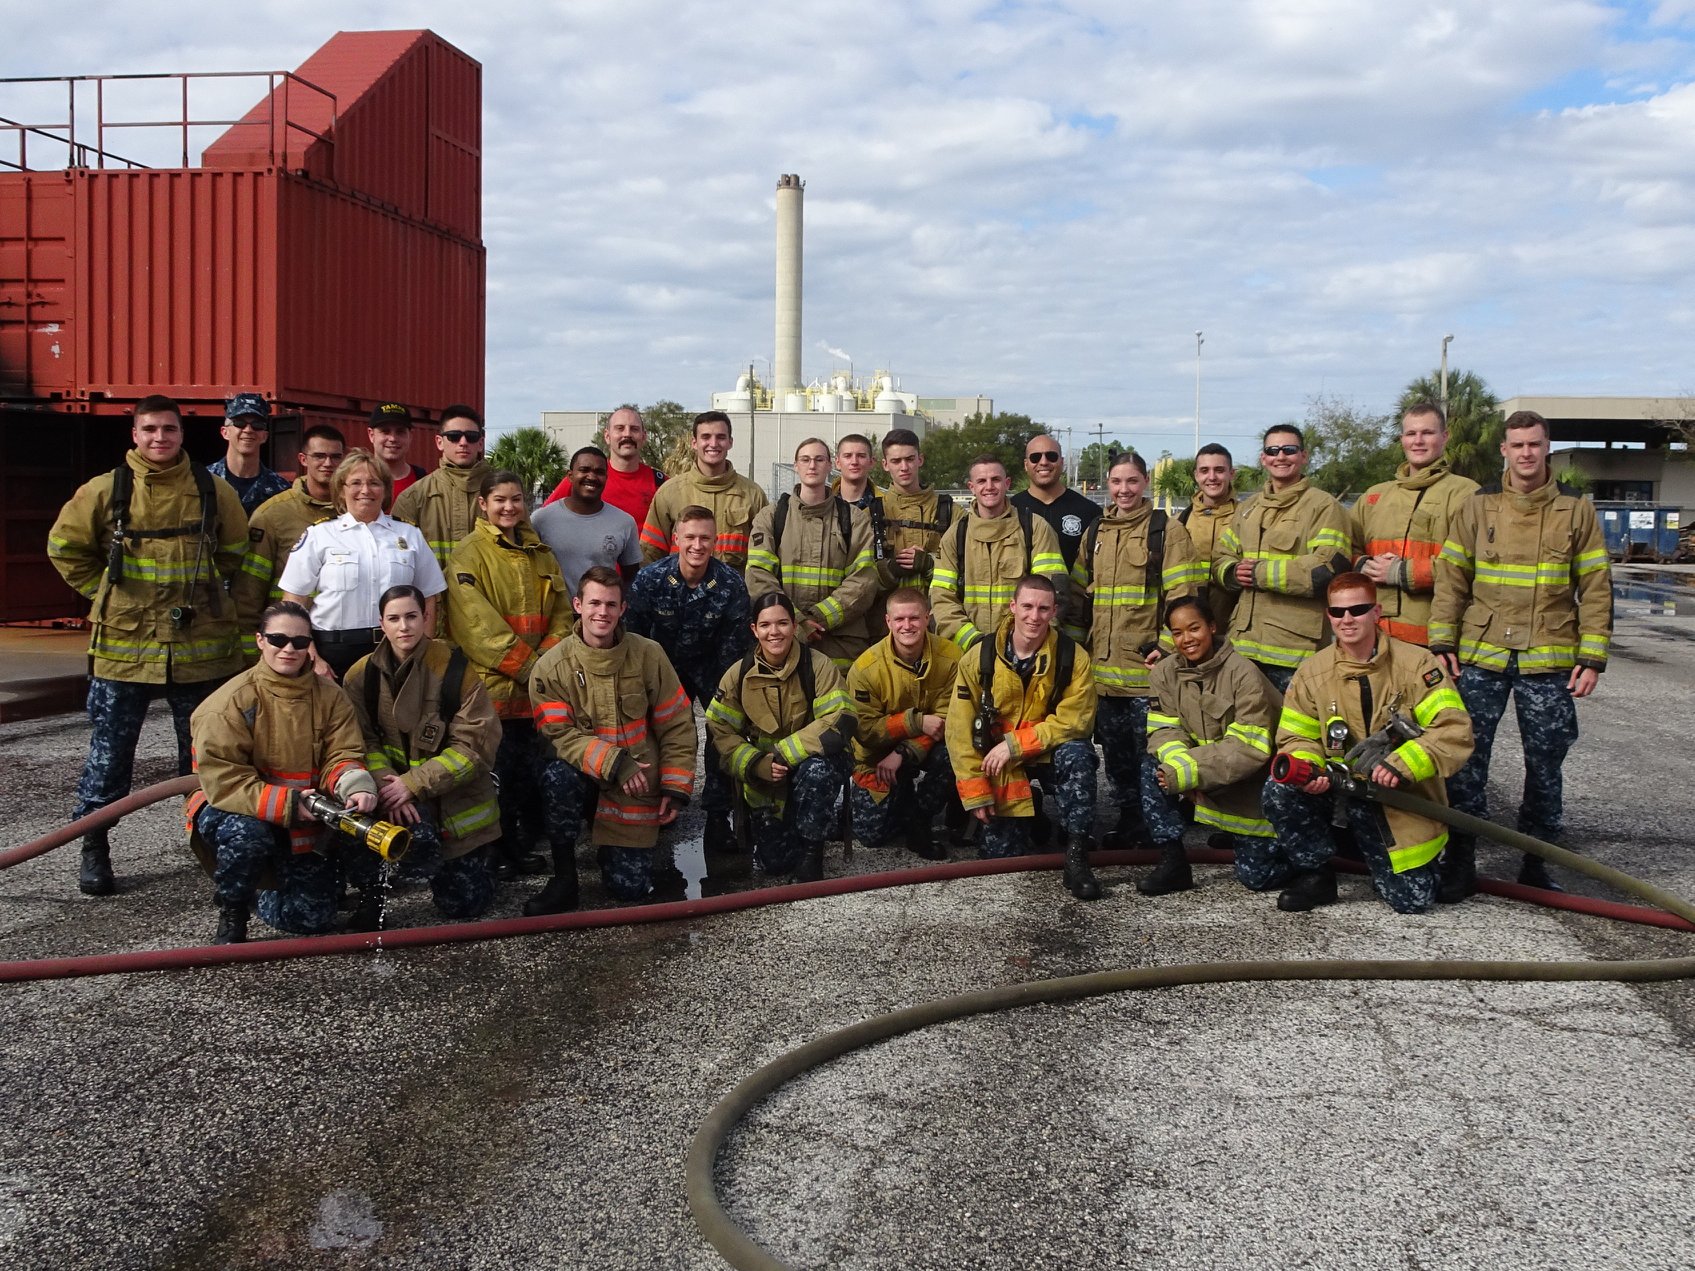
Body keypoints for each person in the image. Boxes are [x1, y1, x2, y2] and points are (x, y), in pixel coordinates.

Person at [47, 394, 249, 896]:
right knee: (109, 758)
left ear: (182, 434)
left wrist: (203, 592)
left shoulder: (212, 490)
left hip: (201, 650)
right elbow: (64, 547)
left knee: (204, 759)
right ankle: (95, 846)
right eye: (151, 430)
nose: (160, 438)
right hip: (123, 650)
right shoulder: (105, 491)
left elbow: (235, 549)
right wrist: (106, 594)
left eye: (170, 430)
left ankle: (211, 845)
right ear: (134, 435)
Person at [1430, 409, 1612, 897]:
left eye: (1535, 444)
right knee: (1466, 758)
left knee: (1546, 761)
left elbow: (1595, 586)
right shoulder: (1477, 506)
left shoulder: (1577, 511)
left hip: (1548, 657)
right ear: (1504, 451)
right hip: (1482, 653)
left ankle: (1538, 861)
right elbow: (1452, 579)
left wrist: (1592, 656)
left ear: (1546, 447)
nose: (1526, 453)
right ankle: (1461, 860)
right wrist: (1442, 641)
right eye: (1518, 444)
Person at [1263, 573, 1473, 914]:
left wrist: (1403, 764)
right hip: (1338, 788)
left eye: (1358, 609)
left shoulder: (1418, 665)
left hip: (1396, 794)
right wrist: (1311, 767)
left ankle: (1437, 855)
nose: (1347, 619)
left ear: (1377, 612)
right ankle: (1316, 874)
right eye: (1338, 612)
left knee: (1410, 901)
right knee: (1278, 790)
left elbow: (1454, 730)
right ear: (1328, 615)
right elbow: (1296, 736)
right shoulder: (1311, 673)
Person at [185, 601, 378, 944]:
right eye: (278, 639)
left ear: (310, 645)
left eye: (300, 642)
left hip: (304, 816)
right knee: (247, 836)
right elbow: (224, 780)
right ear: (260, 640)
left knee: (310, 919)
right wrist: (286, 804)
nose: (289, 649)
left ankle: (278, 890)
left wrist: (356, 786)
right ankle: (234, 910)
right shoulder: (227, 704)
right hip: (239, 808)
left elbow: (343, 753)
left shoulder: (332, 698)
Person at [528, 567, 698, 911]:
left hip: (634, 786)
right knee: (556, 776)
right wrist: (615, 761)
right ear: (578, 605)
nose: (601, 612)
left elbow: (677, 723)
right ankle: (564, 878)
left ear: (623, 609)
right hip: (588, 776)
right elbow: (558, 736)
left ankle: (614, 848)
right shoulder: (551, 668)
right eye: (594, 603)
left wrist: (675, 788)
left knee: (629, 890)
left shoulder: (648, 654)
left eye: (610, 604)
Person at [342, 585, 502, 929]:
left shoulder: (456, 670)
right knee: (353, 822)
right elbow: (359, 743)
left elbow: (474, 746)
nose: (404, 627)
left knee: (463, 906)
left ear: (425, 618)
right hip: (391, 797)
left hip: (451, 802)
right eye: (394, 618)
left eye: (412, 616)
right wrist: (390, 787)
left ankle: (480, 862)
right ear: (381, 623)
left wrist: (413, 784)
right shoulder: (360, 676)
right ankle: (374, 889)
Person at [445, 468, 573, 880]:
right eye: (500, 500)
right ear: (483, 504)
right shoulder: (468, 555)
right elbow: (477, 628)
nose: (509, 507)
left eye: (516, 499)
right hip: (493, 693)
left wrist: (547, 666)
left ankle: (519, 847)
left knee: (524, 781)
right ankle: (493, 855)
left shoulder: (541, 552)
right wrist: (535, 669)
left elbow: (563, 614)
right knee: (492, 779)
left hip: (535, 694)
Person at [1075, 450, 1203, 850]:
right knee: (1118, 762)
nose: (1123, 489)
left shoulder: (1166, 531)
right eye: (1116, 482)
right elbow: (1080, 597)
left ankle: (1160, 837)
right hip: (1104, 677)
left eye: (1131, 481)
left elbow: (1184, 598)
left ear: (1145, 482)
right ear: (1108, 484)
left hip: (1148, 677)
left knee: (1153, 760)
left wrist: (1167, 648)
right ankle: (1130, 822)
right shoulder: (1096, 531)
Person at [944, 575, 1100, 897]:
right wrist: (976, 793)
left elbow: (1076, 721)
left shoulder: (1073, 657)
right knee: (1000, 858)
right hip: (1000, 765)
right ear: (1013, 607)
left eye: (1043, 609)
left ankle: (1076, 855)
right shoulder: (979, 657)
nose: (1034, 616)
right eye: (1027, 606)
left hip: (1044, 751)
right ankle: (1034, 811)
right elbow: (958, 730)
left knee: (1080, 754)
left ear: (1054, 611)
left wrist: (1014, 745)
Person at [625, 505, 753, 855]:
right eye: (691, 537)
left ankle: (717, 816)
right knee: (657, 732)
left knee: (722, 734)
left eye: (705, 538)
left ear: (715, 542)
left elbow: (734, 653)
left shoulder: (730, 584)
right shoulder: (650, 580)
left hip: (715, 667)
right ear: (676, 539)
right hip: (663, 669)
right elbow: (633, 640)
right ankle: (664, 802)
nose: (697, 545)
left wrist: (725, 698)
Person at [705, 590, 856, 882]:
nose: (774, 632)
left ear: (794, 626)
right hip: (767, 776)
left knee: (818, 771)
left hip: (810, 764)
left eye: (783, 623)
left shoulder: (819, 666)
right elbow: (719, 732)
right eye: (765, 625)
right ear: (754, 630)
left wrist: (785, 753)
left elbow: (841, 718)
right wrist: (753, 763)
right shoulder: (738, 675)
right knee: (775, 863)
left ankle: (814, 851)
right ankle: (784, 826)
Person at [1142, 594, 1285, 896]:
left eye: (1194, 629)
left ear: (1212, 627)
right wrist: (1179, 764)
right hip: (1201, 777)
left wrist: (1190, 768)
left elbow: (1250, 748)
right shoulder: (1165, 674)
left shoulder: (1244, 674)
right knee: (1150, 768)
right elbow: (1163, 730)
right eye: (1177, 632)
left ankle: (1290, 851)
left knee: (1257, 879)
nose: (1186, 639)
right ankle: (1173, 863)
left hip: (1248, 788)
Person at [1211, 424, 1356, 692]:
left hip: (1295, 652)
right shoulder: (1248, 509)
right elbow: (1220, 558)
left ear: (1304, 456)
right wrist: (1231, 572)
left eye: (1289, 450)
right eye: (1272, 450)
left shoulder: (1324, 507)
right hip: (1243, 647)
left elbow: (1326, 570)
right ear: (1263, 458)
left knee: (1295, 731)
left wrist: (1258, 574)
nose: (1281, 456)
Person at [279, 451, 446, 679]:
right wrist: (312, 657)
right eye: (356, 483)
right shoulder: (319, 535)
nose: (365, 491)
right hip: (333, 655)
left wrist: (423, 653)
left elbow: (428, 597)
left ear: (386, 490)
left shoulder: (409, 535)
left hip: (397, 651)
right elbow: (293, 602)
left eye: (374, 483)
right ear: (341, 489)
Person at [846, 588, 962, 861]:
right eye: (899, 619)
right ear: (888, 622)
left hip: (927, 746)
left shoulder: (952, 658)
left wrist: (902, 753)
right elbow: (865, 731)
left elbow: (948, 720)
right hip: (877, 753)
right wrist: (916, 721)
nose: (907, 626)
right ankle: (901, 797)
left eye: (914, 618)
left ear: (927, 618)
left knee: (952, 752)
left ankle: (920, 819)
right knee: (871, 836)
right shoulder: (865, 669)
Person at [745, 437, 879, 670]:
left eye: (819, 459)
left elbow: (863, 579)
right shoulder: (772, 517)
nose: (812, 465)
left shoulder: (854, 519)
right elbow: (759, 576)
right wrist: (796, 621)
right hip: (785, 639)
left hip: (840, 643)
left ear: (830, 466)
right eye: (805, 460)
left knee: (839, 704)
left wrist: (819, 618)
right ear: (795, 466)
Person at [1354, 402, 1480, 646]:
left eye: (1427, 433)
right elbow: (1344, 548)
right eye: (1411, 433)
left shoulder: (1466, 494)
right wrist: (1362, 565)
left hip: (1434, 639)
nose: (1418, 441)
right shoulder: (1374, 496)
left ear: (1445, 437)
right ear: (1402, 439)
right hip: (1373, 636)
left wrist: (1401, 573)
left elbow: (1471, 565)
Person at [931, 455, 1069, 651]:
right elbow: (942, 598)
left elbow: (1053, 593)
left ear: (1007, 483)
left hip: (1024, 652)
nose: (989, 487)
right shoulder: (955, 536)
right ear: (971, 487)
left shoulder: (1035, 529)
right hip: (969, 651)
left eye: (995, 480)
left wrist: (1021, 644)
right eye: (981, 481)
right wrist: (975, 642)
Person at [233, 424, 346, 637]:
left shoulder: (356, 513)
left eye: (336, 457)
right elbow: (249, 593)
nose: (328, 463)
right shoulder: (273, 515)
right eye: (319, 456)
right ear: (303, 459)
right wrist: (254, 657)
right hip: (290, 640)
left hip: (343, 638)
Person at [639, 410, 769, 571]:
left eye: (721, 437)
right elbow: (650, 553)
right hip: (679, 593)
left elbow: (763, 555)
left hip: (733, 593)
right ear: (694, 443)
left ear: (730, 442)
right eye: (706, 437)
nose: (713, 444)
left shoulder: (753, 495)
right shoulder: (669, 493)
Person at [530, 446, 644, 594]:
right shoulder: (541, 520)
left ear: (606, 478)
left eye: (599, 472)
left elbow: (632, 578)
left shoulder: (624, 522)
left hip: (602, 614)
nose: (591, 477)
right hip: (555, 615)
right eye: (584, 470)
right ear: (570, 476)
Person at [392, 405, 490, 571]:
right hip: (435, 596)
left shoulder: (502, 493)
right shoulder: (414, 497)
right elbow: (396, 560)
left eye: (471, 437)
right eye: (454, 436)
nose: (463, 443)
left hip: (490, 596)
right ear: (439, 442)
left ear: (480, 443)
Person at [541, 405, 667, 526]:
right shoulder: (584, 478)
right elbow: (543, 517)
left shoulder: (661, 483)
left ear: (644, 437)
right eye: (620, 428)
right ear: (607, 436)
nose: (627, 434)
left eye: (634, 429)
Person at [874, 427, 956, 594]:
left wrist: (929, 563)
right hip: (886, 617)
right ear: (885, 464)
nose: (904, 467)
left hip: (936, 614)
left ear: (920, 459)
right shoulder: (871, 513)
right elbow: (858, 576)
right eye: (896, 461)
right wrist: (889, 569)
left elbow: (966, 569)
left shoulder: (951, 511)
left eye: (910, 459)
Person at [1013, 434, 1101, 572]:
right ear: (1026, 465)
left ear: (1062, 462)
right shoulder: (1011, 509)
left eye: (1051, 456)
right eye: (1035, 457)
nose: (1043, 462)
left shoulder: (1090, 512)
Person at [1182, 443, 1241, 634]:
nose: (1212, 477)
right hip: (1189, 633)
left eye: (1219, 470)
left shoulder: (1248, 518)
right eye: (1205, 470)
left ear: (1232, 474)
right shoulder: (1180, 521)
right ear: (1196, 475)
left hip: (1235, 631)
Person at [207, 394, 290, 516]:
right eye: (239, 423)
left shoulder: (281, 489)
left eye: (257, 425)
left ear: (264, 436)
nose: (248, 430)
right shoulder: (205, 481)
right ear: (225, 432)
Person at [368, 401, 426, 502]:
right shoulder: (353, 481)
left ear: (410, 436)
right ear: (371, 435)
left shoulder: (423, 481)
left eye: (400, 432)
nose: (393, 438)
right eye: (385, 431)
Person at [833, 433, 878, 510]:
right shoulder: (822, 503)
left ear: (871, 462)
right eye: (848, 456)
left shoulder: (885, 506)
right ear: (837, 462)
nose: (854, 462)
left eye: (861, 456)